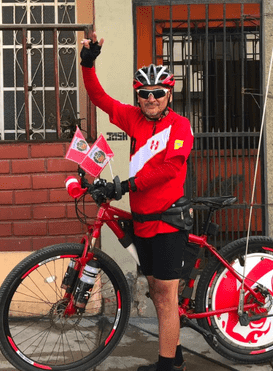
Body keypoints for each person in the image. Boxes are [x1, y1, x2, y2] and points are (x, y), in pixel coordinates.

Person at [80, 32, 193, 371]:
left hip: (169, 220)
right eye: (144, 94)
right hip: (143, 220)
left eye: (158, 93)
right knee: (158, 291)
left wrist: (127, 185)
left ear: (169, 94)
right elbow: (98, 96)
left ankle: (167, 366)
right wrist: (88, 63)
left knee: (164, 295)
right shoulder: (133, 119)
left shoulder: (180, 126)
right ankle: (175, 355)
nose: (151, 99)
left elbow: (169, 168)